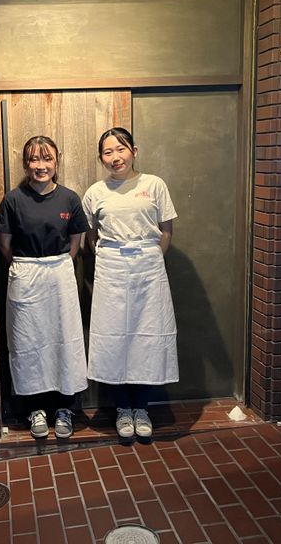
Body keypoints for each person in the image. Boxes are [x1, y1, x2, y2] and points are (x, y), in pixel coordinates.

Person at [82, 126, 179, 440]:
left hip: (148, 269)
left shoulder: (154, 185)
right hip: (111, 269)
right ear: (101, 158)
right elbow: (91, 236)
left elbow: (166, 230)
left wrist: (152, 258)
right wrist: (108, 258)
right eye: (108, 152)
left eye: (121, 149)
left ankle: (142, 408)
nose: (115, 157)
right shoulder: (95, 192)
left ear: (134, 151)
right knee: (114, 339)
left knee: (146, 337)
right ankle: (123, 409)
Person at [0, 135, 89, 439]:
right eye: (34, 159)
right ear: (25, 164)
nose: (41, 165)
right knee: (28, 341)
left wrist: (57, 265)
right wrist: (28, 267)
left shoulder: (69, 199)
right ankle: (34, 408)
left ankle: (64, 408)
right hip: (26, 274)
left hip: (60, 275)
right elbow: (5, 244)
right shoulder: (13, 200)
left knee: (64, 339)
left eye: (47, 158)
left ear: (56, 162)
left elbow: (75, 242)